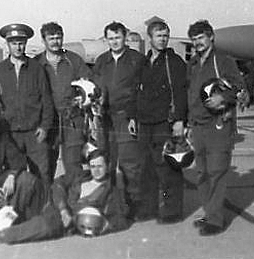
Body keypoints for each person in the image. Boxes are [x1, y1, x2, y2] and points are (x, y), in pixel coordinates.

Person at [0, 149, 130, 246]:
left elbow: (121, 219)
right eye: (93, 166)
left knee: (44, 225)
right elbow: (58, 184)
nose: (96, 170)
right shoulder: (81, 176)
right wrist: (62, 208)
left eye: (100, 166)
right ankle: (2, 220)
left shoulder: (111, 192)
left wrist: (102, 224)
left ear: (108, 166)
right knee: (26, 179)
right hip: (51, 202)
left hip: (62, 220)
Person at [186, 20, 246, 236]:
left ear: (211, 37)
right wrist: (187, 122)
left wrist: (223, 97)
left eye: (201, 38)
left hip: (219, 124)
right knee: (201, 173)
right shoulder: (193, 64)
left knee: (217, 171)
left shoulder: (223, 60)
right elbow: (189, 94)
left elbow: (239, 88)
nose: (198, 43)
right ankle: (209, 212)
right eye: (194, 39)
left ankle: (215, 219)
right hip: (198, 125)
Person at [0, 23, 54, 194]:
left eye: (21, 43)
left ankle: (44, 212)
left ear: (25, 44)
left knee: (42, 174)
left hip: (35, 134)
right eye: (14, 43)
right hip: (10, 134)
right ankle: (17, 213)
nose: (18, 47)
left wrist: (44, 127)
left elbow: (47, 100)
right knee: (13, 176)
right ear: (7, 45)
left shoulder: (37, 69)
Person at [92, 21, 146, 219]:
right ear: (106, 40)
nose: (114, 42)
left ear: (125, 37)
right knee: (104, 160)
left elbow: (142, 90)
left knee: (129, 164)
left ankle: (134, 206)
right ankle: (109, 203)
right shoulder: (101, 61)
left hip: (126, 117)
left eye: (118, 37)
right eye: (111, 38)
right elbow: (94, 89)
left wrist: (134, 116)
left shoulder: (137, 60)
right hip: (105, 118)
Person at [136, 20, 188, 223]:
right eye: (159, 35)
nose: (163, 39)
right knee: (146, 168)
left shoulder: (174, 63)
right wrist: (134, 116)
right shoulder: (144, 62)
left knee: (168, 168)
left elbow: (181, 93)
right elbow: (136, 90)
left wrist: (179, 120)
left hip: (164, 123)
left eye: (166, 35)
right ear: (150, 38)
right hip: (145, 122)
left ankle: (172, 211)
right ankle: (149, 208)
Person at [34, 22, 93, 179]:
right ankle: (46, 202)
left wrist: (83, 95)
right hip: (48, 121)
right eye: (51, 38)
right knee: (45, 166)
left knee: (73, 165)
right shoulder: (36, 63)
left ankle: (74, 201)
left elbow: (89, 82)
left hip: (72, 119)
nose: (55, 42)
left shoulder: (73, 60)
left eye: (58, 38)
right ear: (43, 40)